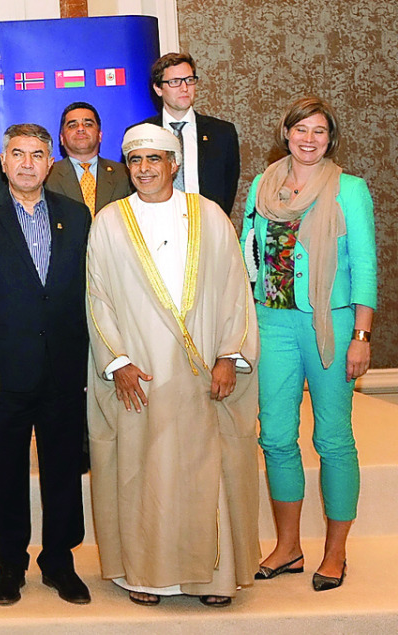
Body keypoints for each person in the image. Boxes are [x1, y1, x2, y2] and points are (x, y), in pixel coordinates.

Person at [87, 123, 260, 607]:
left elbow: (234, 293)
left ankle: (213, 579)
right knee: (145, 474)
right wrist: (117, 361)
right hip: (139, 376)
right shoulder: (109, 221)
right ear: (127, 167)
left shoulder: (209, 217)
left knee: (207, 472)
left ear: (174, 164)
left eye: (155, 160)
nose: (145, 169)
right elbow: (97, 298)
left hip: (204, 374)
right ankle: (147, 577)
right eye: (136, 161)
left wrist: (229, 356)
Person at [0, 123, 91, 606]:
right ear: (3, 162)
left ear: (50, 163)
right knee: (3, 469)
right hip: (0, 374)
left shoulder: (76, 215)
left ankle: (59, 561)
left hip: (64, 370)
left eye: (36, 154)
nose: (28, 163)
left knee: (63, 469)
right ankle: (10, 563)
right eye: (18, 154)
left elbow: (86, 295)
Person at [242, 97, 376, 592]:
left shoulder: (350, 190)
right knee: (275, 438)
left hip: (333, 326)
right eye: (301, 128)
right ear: (286, 132)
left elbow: (365, 267)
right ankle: (289, 546)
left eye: (320, 131)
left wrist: (361, 336)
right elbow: (247, 254)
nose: (309, 138)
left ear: (330, 138)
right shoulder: (263, 184)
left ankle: (336, 552)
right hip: (271, 323)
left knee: (333, 439)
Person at [135, 53, 240, 216]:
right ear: (158, 88)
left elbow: (228, 188)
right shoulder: (141, 133)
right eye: (175, 82)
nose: (184, 88)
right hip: (155, 225)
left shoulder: (222, 133)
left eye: (189, 80)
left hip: (206, 226)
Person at [45, 101, 131, 216]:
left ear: (100, 135)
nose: (80, 129)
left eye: (88, 124)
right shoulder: (47, 175)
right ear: (62, 138)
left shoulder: (124, 174)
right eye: (72, 125)